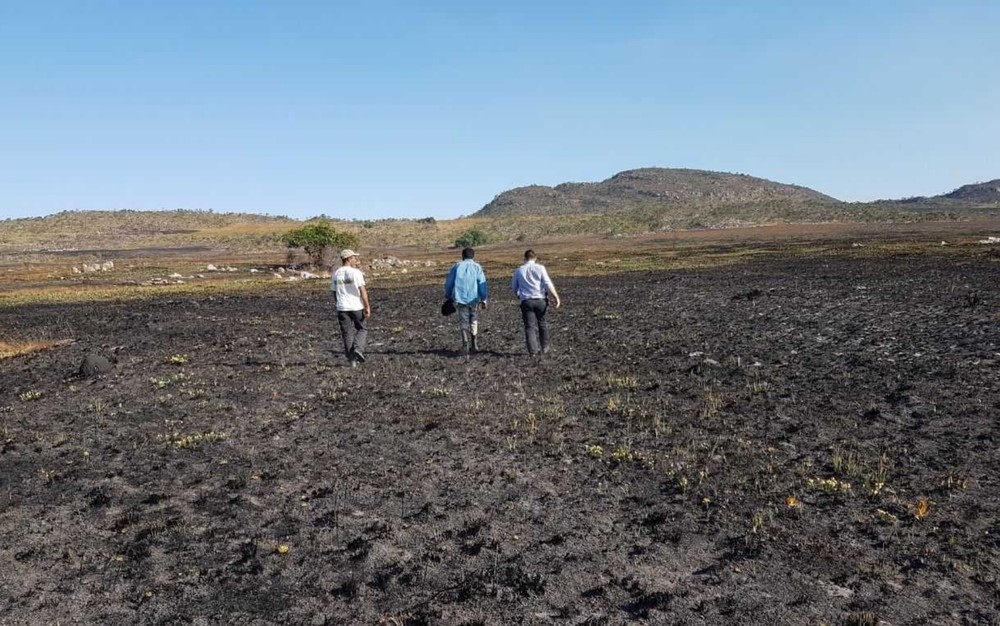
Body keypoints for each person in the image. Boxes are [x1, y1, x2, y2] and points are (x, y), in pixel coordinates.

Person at [511, 249, 561, 356]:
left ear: (524, 258)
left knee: (529, 326)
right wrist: (556, 297)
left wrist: (519, 295)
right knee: (542, 323)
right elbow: (548, 283)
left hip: (527, 301)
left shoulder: (519, 270)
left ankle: (533, 351)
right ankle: (545, 347)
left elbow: (514, 287)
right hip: (540, 300)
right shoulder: (540, 268)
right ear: (535, 258)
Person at [443, 247, 488, 354]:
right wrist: (484, 298)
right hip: (474, 299)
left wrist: (448, 295)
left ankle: (465, 344)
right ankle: (474, 344)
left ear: (462, 256)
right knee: (474, 320)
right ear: (473, 256)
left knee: (463, 320)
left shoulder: (457, 266)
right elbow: (482, 284)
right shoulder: (477, 267)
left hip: (460, 298)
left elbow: (449, 283)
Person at [331, 249, 371, 367]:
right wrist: (367, 306)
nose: (355, 260)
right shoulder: (356, 273)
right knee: (362, 329)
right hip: (356, 306)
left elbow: (334, 292)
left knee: (347, 333)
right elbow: (362, 290)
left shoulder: (336, 274)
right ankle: (358, 349)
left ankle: (352, 360)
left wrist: (338, 302)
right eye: (354, 258)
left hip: (342, 307)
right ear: (348, 259)